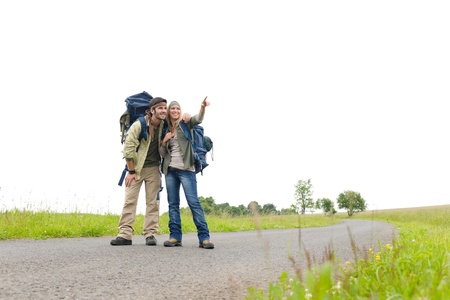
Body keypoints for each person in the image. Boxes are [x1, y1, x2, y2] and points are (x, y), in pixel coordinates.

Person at [110, 97, 167, 246]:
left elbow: (180, 118)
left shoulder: (164, 125)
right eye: (160, 108)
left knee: (153, 203)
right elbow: (128, 149)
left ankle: (150, 234)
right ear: (152, 110)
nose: (163, 111)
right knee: (130, 201)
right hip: (135, 169)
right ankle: (125, 234)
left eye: (165, 108)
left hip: (154, 169)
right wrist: (131, 171)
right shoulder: (139, 125)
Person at [159, 97, 215, 249]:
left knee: (194, 203)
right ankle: (175, 237)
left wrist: (202, 107)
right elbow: (163, 153)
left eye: (177, 109)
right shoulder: (165, 129)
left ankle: (204, 238)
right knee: (173, 205)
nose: (175, 111)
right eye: (173, 109)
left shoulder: (186, 123)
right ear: (169, 112)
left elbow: (199, 119)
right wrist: (164, 141)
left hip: (187, 171)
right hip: (170, 171)